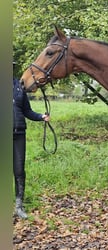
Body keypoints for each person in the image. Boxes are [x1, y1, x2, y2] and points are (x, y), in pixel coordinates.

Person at [13, 61, 50, 219]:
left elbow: (26, 110)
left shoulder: (19, 86)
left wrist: (41, 116)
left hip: (18, 134)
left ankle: (19, 205)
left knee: (19, 170)